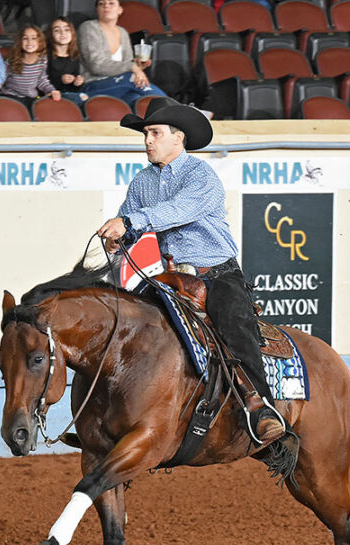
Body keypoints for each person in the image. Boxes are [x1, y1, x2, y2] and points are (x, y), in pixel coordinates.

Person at [96, 97, 287, 445]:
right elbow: (132, 220)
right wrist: (118, 235)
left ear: (178, 138)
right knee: (128, 322)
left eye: (155, 133)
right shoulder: (142, 181)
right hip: (174, 279)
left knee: (236, 329)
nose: (148, 140)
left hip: (216, 275)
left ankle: (261, 409)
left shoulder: (201, 175)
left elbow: (178, 210)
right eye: (146, 134)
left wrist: (129, 222)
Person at [77, 0, 166, 106]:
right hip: (93, 84)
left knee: (136, 99)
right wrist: (133, 67)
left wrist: (138, 67)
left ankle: (167, 116)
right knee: (132, 79)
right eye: (101, 4)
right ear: (97, 10)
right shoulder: (88, 27)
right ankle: (176, 109)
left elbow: (127, 65)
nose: (106, 6)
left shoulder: (122, 32)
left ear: (120, 10)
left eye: (111, 3)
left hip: (121, 85)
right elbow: (97, 65)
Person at [0, 24, 63, 109]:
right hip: (10, 97)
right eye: (25, 38)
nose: (29, 42)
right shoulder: (12, 61)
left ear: (40, 42)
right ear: (20, 41)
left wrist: (52, 90)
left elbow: (42, 80)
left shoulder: (42, 61)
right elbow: (0, 78)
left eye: (34, 38)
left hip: (30, 99)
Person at [46, 17, 89, 108]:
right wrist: (60, 79)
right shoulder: (46, 55)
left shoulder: (75, 56)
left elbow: (75, 86)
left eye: (66, 29)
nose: (63, 33)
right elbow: (41, 80)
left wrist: (77, 82)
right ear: (50, 34)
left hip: (70, 94)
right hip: (51, 95)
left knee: (87, 97)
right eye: (57, 30)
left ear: (72, 33)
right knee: (82, 98)